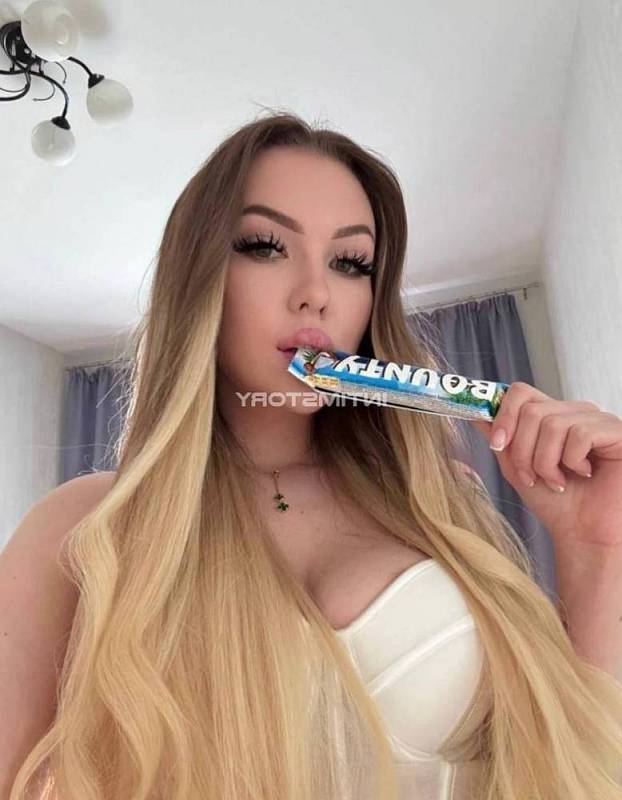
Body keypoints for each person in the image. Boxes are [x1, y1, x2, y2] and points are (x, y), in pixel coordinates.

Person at [7, 110, 622, 800]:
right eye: (265, 246)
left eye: (351, 263)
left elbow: (574, 767)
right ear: (198, 276)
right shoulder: (82, 528)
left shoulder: (442, 497)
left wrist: (597, 548)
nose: (317, 294)